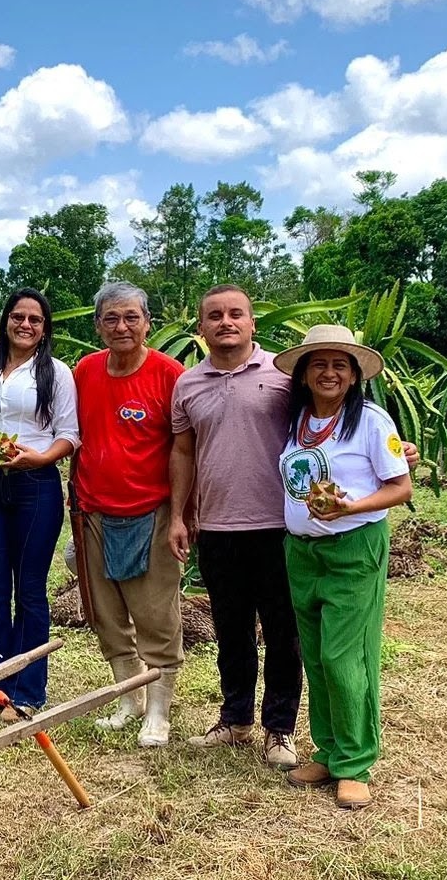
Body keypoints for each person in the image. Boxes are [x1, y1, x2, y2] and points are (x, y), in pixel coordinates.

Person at [274, 325, 411, 809]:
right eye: (319, 364)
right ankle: (329, 751)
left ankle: (355, 762)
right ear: (305, 375)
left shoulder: (372, 421)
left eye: (340, 365)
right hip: (302, 552)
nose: (329, 373)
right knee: (314, 655)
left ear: (354, 376)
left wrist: (350, 508)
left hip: (353, 548)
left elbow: (401, 488)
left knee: (343, 657)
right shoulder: (298, 421)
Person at [168, 285, 302, 769]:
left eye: (236, 314)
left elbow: (329, 425)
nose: (226, 322)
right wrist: (180, 516)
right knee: (232, 629)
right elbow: (182, 452)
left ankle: (281, 729)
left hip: (281, 524)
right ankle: (236, 718)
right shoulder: (188, 384)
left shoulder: (285, 376)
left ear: (252, 324)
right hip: (218, 527)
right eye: (215, 315)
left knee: (284, 630)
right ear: (200, 327)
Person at [0, 289, 78, 721]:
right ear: (5, 321)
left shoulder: (56, 373)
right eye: (18, 317)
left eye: (35, 320)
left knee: (29, 589)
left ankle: (28, 690)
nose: (25, 325)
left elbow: (70, 433)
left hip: (35, 485)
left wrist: (40, 457)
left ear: (45, 329)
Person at [73, 281, 184, 747]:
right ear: (97, 326)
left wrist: (181, 514)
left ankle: (159, 708)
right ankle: (128, 698)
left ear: (147, 323)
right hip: (93, 510)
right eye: (111, 318)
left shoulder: (169, 373)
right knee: (106, 612)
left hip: (152, 511)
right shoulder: (84, 371)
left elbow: (184, 448)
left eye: (131, 317)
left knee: (156, 613)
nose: (122, 326)